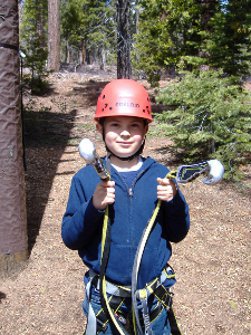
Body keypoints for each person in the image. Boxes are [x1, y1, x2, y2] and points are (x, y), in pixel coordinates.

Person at [61, 79, 190, 335]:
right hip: (105, 300)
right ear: (101, 127)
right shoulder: (86, 179)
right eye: (115, 125)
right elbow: (70, 237)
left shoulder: (161, 176)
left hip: (152, 299)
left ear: (145, 130)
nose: (124, 133)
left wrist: (173, 202)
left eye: (134, 125)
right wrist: (93, 207)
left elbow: (178, 233)